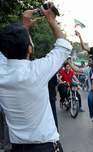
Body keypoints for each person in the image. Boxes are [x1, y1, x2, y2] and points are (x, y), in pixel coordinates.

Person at [0, 3, 67, 151]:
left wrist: (23, 28)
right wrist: (51, 20)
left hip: (17, 148)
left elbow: (62, 47)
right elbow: (64, 46)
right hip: (45, 147)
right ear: (30, 49)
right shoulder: (36, 71)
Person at [68, 56, 93, 122]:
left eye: (89, 60)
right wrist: (70, 63)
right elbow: (77, 70)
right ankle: (92, 115)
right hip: (92, 90)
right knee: (90, 98)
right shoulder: (88, 69)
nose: (88, 62)